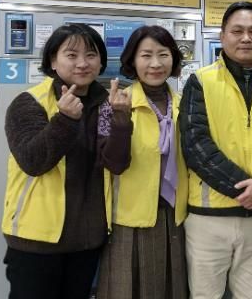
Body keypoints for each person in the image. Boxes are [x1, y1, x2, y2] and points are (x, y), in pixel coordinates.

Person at [1, 23, 132, 299]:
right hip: (36, 241)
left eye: (91, 55)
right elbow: (33, 161)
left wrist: (121, 119)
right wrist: (64, 120)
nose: (82, 63)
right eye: (71, 55)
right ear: (53, 61)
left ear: (100, 62)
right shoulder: (29, 103)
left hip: (86, 241)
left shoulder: (105, 105)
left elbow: (116, 163)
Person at [179, 1, 252, 299]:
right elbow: (195, 143)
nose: (246, 38)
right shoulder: (200, 81)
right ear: (222, 37)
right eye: (237, 31)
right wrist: (246, 188)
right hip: (209, 218)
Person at [97, 26, 188, 299]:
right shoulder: (114, 104)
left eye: (163, 54)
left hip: (175, 218)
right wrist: (121, 118)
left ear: (173, 59)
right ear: (132, 61)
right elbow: (113, 163)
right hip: (130, 219)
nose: (156, 64)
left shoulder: (184, 105)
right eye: (146, 55)